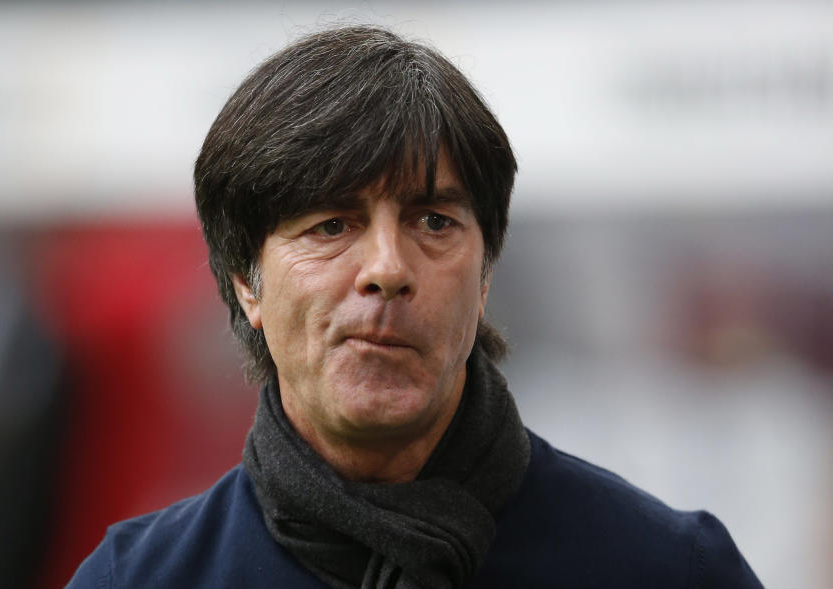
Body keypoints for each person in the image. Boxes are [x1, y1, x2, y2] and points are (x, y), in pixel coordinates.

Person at [67, 26, 762, 588]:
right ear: (247, 281)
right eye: (331, 225)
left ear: (485, 274)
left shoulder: (665, 568)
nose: (388, 269)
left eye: (433, 222)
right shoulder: (141, 578)